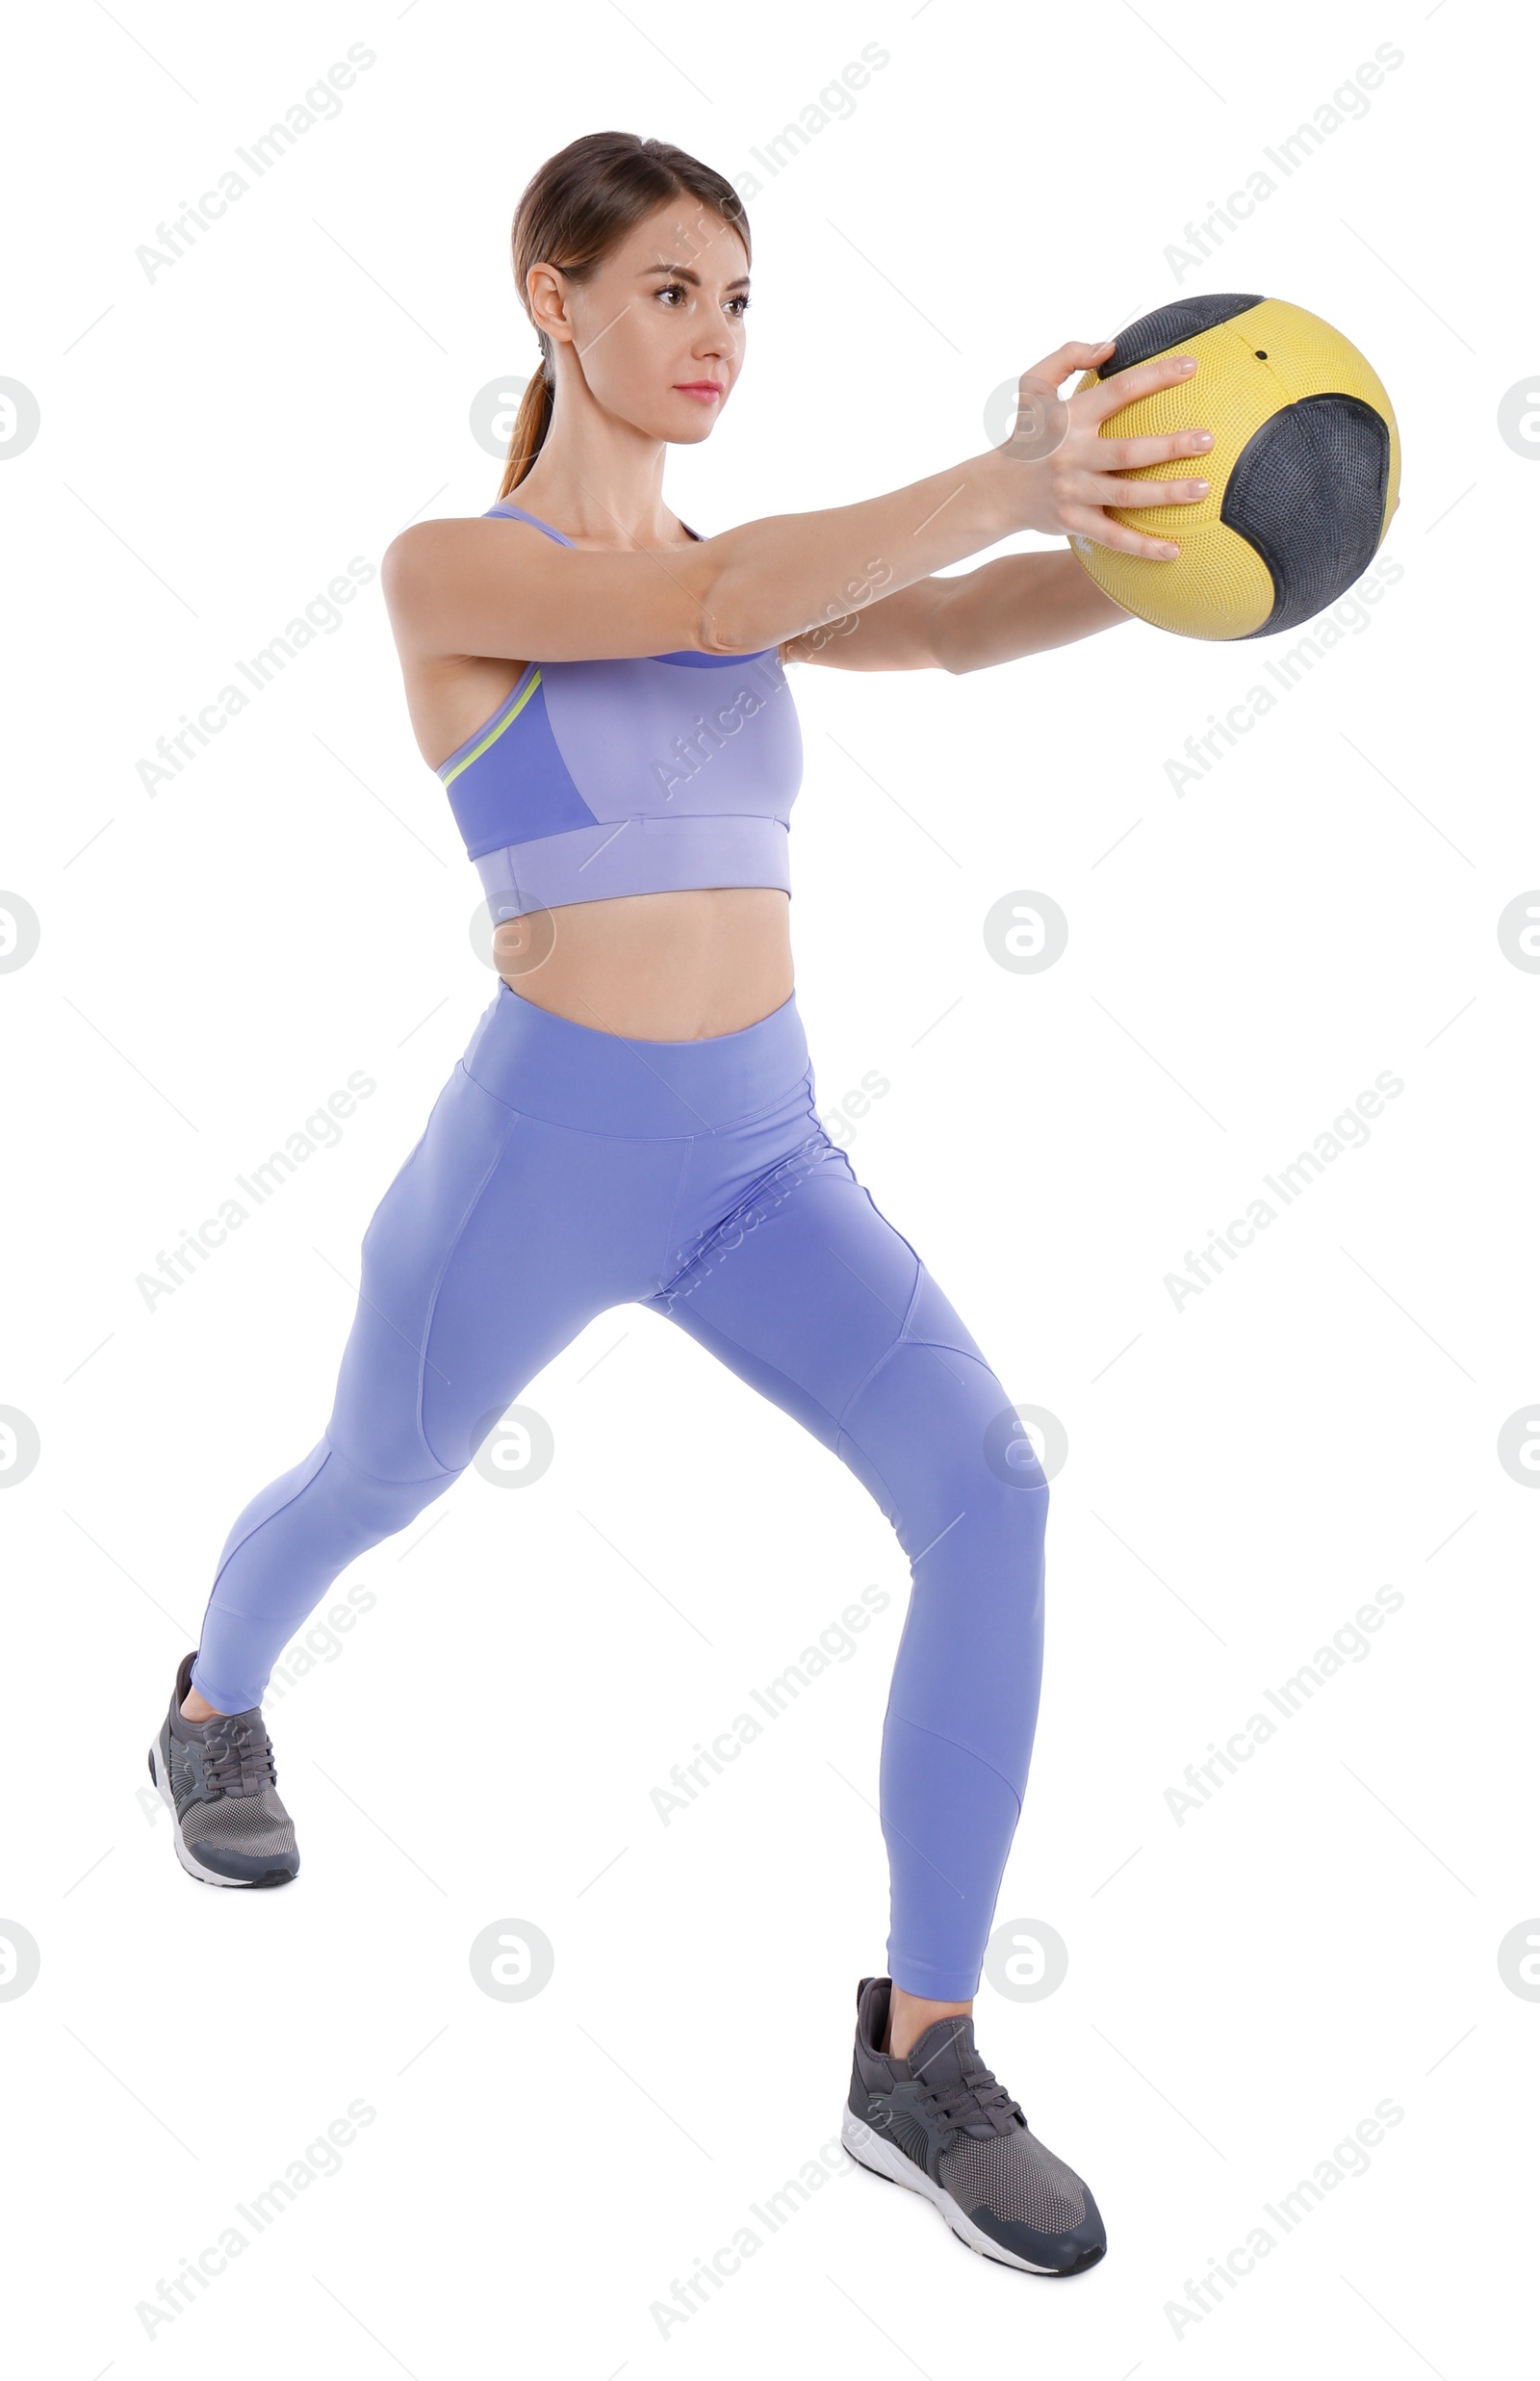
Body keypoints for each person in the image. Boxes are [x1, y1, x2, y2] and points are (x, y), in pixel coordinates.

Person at [147, 130, 1212, 2276]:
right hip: (537, 1162)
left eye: (738, 300)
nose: (713, 335)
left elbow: (974, 623)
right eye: (667, 291)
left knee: (985, 1490)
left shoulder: (757, 560)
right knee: (373, 1471)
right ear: (551, 296)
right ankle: (205, 1704)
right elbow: (710, 605)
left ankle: (915, 2053)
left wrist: (1172, 529)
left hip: (760, 1163)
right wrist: (996, 469)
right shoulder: (453, 568)